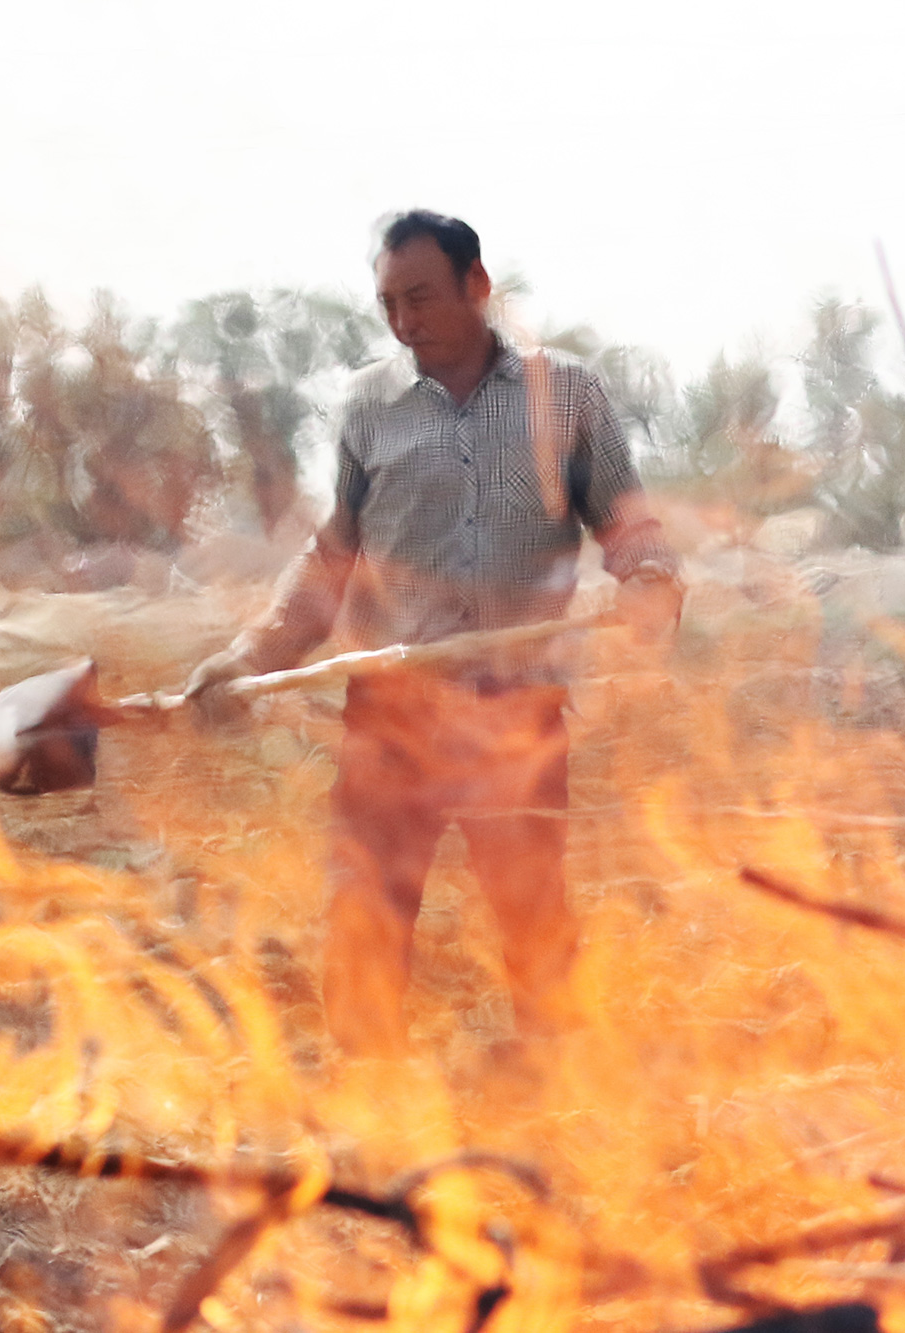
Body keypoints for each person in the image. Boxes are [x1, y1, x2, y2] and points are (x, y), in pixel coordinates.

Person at [183, 210, 682, 1057]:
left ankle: (559, 1105)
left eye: (421, 296)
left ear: (477, 286)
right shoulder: (368, 407)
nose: (405, 321)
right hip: (390, 717)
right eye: (388, 304)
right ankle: (371, 1109)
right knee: (367, 917)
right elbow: (332, 558)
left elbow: (631, 530)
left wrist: (652, 582)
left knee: (533, 918)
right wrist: (249, 658)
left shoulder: (567, 396)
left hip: (515, 716)